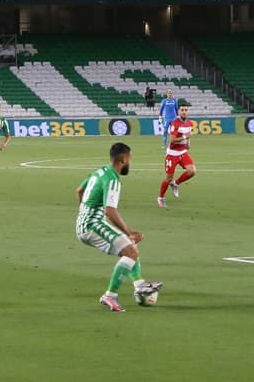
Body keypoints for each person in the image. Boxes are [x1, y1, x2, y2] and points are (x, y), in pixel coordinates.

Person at [76, 141, 162, 312]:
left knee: (130, 248)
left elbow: (79, 190)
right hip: (92, 225)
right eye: (130, 159)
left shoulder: (99, 171)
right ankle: (110, 295)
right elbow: (110, 211)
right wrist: (129, 232)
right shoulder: (113, 179)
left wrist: (85, 212)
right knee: (130, 247)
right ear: (123, 159)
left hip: (86, 222)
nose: (130, 163)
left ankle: (139, 284)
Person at [158, 103, 197, 208]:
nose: (184, 112)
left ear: (188, 112)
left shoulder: (190, 123)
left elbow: (188, 136)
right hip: (172, 154)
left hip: (182, 152)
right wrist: (185, 137)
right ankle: (160, 198)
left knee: (192, 171)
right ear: (178, 112)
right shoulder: (175, 123)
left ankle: (175, 184)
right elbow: (172, 140)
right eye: (182, 110)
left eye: (186, 110)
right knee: (169, 178)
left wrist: (188, 143)